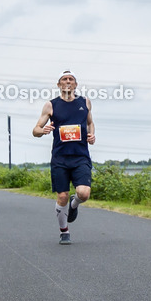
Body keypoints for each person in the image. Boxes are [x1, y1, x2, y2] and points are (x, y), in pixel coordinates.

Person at [32, 70, 95, 245]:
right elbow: (35, 130)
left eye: (71, 79)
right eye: (64, 79)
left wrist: (92, 135)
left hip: (81, 156)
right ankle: (64, 231)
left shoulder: (85, 102)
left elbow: (90, 123)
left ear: (75, 84)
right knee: (62, 196)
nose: (68, 81)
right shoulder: (51, 105)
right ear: (59, 84)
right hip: (60, 158)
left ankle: (74, 204)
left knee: (84, 193)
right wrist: (42, 130)